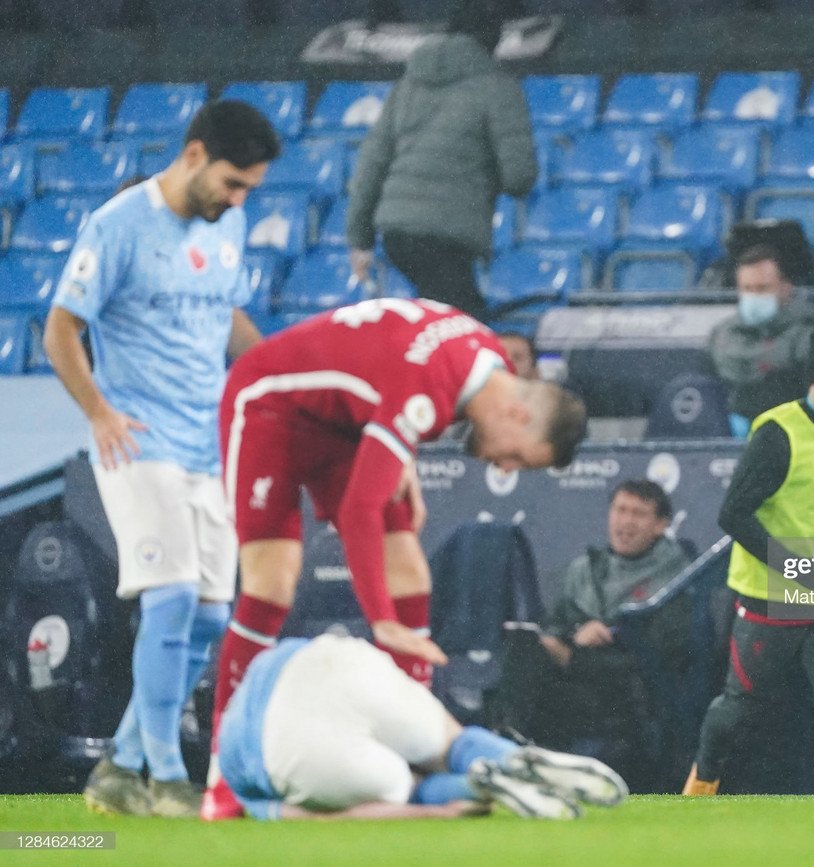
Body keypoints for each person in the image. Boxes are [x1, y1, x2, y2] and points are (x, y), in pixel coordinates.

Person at [204, 297, 587, 819]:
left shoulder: (484, 355)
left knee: (405, 559)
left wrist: (398, 451)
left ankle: (420, 750)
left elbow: (388, 363)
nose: (503, 464)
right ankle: (223, 773)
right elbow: (361, 507)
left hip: (340, 422)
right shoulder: (432, 390)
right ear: (517, 413)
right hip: (271, 403)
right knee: (272, 581)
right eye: (515, 454)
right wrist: (381, 620)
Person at [42, 100, 280, 818]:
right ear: (196, 153)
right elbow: (60, 328)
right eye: (234, 183)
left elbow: (226, 314)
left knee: (210, 616)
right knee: (171, 598)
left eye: (249, 190)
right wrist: (100, 411)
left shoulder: (227, 224)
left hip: (208, 443)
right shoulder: (118, 225)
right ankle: (168, 777)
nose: (239, 201)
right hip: (137, 441)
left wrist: (275, 370)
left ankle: (120, 762)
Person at [683, 327, 814, 796]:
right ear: (812, 378)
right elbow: (733, 515)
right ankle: (704, 778)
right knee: (738, 707)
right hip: (772, 598)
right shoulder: (779, 432)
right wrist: (797, 568)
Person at [218, 633, 626, 820]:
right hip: (331, 663)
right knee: (451, 744)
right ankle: (514, 757)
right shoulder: (258, 674)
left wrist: (433, 812)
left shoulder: (233, 777)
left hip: (287, 746)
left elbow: (317, 819)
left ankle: (482, 781)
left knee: (408, 787)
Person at [346, 0, 536, 318]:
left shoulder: (407, 86)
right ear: (494, 40)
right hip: (449, 234)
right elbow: (519, 176)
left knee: (450, 319)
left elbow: (371, 165)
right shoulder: (498, 87)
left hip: (397, 233)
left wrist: (360, 240)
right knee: (464, 325)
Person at [510, 481, 691, 782]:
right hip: (572, 684)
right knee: (522, 647)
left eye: (639, 514)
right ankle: (508, 745)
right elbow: (554, 628)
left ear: (661, 525)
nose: (626, 522)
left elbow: (662, 656)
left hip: (631, 694)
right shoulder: (585, 569)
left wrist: (574, 655)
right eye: (620, 510)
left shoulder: (677, 578)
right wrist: (578, 633)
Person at [708, 245, 814, 434]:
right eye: (747, 289)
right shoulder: (722, 332)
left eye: (762, 288)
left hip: (793, 428)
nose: (753, 296)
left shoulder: (810, 331)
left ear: (785, 287)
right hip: (734, 428)